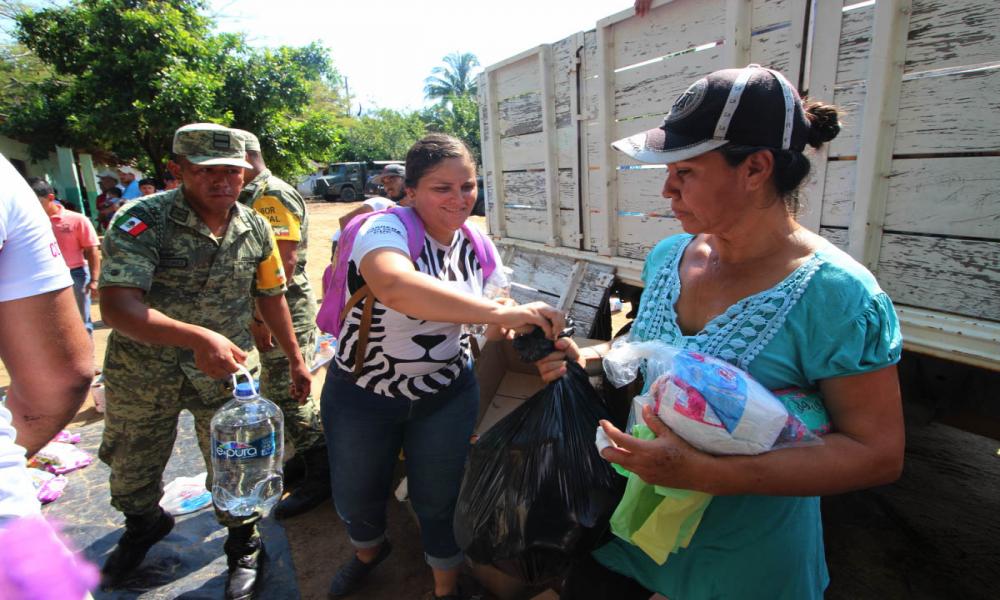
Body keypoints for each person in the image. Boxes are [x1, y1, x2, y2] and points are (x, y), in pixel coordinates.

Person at [536, 65, 905, 600]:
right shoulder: (669, 258)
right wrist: (591, 357)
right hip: (633, 535)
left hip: (745, 563)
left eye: (684, 171)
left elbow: (877, 453)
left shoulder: (838, 295)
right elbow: (660, 361)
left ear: (755, 168)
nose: (666, 189)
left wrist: (708, 474)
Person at [319, 133, 565, 600]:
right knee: (357, 492)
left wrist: (528, 326)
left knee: (440, 496)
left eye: (467, 186)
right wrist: (498, 314)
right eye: (442, 188)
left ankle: (444, 588)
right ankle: (369, 554)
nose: (459, 200)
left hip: (446, 392)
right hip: (363, 394)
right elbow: (394, 285)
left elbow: (490, 320)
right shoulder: (384, 229)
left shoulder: (476, 242)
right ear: (409, 191)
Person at [97, 123, 310, 600]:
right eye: (206, 171)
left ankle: (242, 544)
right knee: (132, 464)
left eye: (233, 172)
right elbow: (117, 306)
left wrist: (295, 359)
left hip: (227, 375)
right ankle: (144, 524)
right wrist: (197, 337)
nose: (223, 182)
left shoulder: (255, 224)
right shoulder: (142, 221)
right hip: (143, 374)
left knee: (238, 463)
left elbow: (273, 295)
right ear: (178, 171)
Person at [232, 128, 329, 519]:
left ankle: (323, 472)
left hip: (281, 310)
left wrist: (261, 318)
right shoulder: (250, 194)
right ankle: (306, 463)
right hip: (267, 309)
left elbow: (283, 263)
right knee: (275, 392)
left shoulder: (269, 195)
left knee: (293, 393)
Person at [30, 177, 101, 338]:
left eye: (37, 202)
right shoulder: (30, 223)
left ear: (50, 198)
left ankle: (86, 362)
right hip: (43, 278)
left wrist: (94, 280)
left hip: (75, 274)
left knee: (81, 321)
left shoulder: (76, 220)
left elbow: (92, 250)